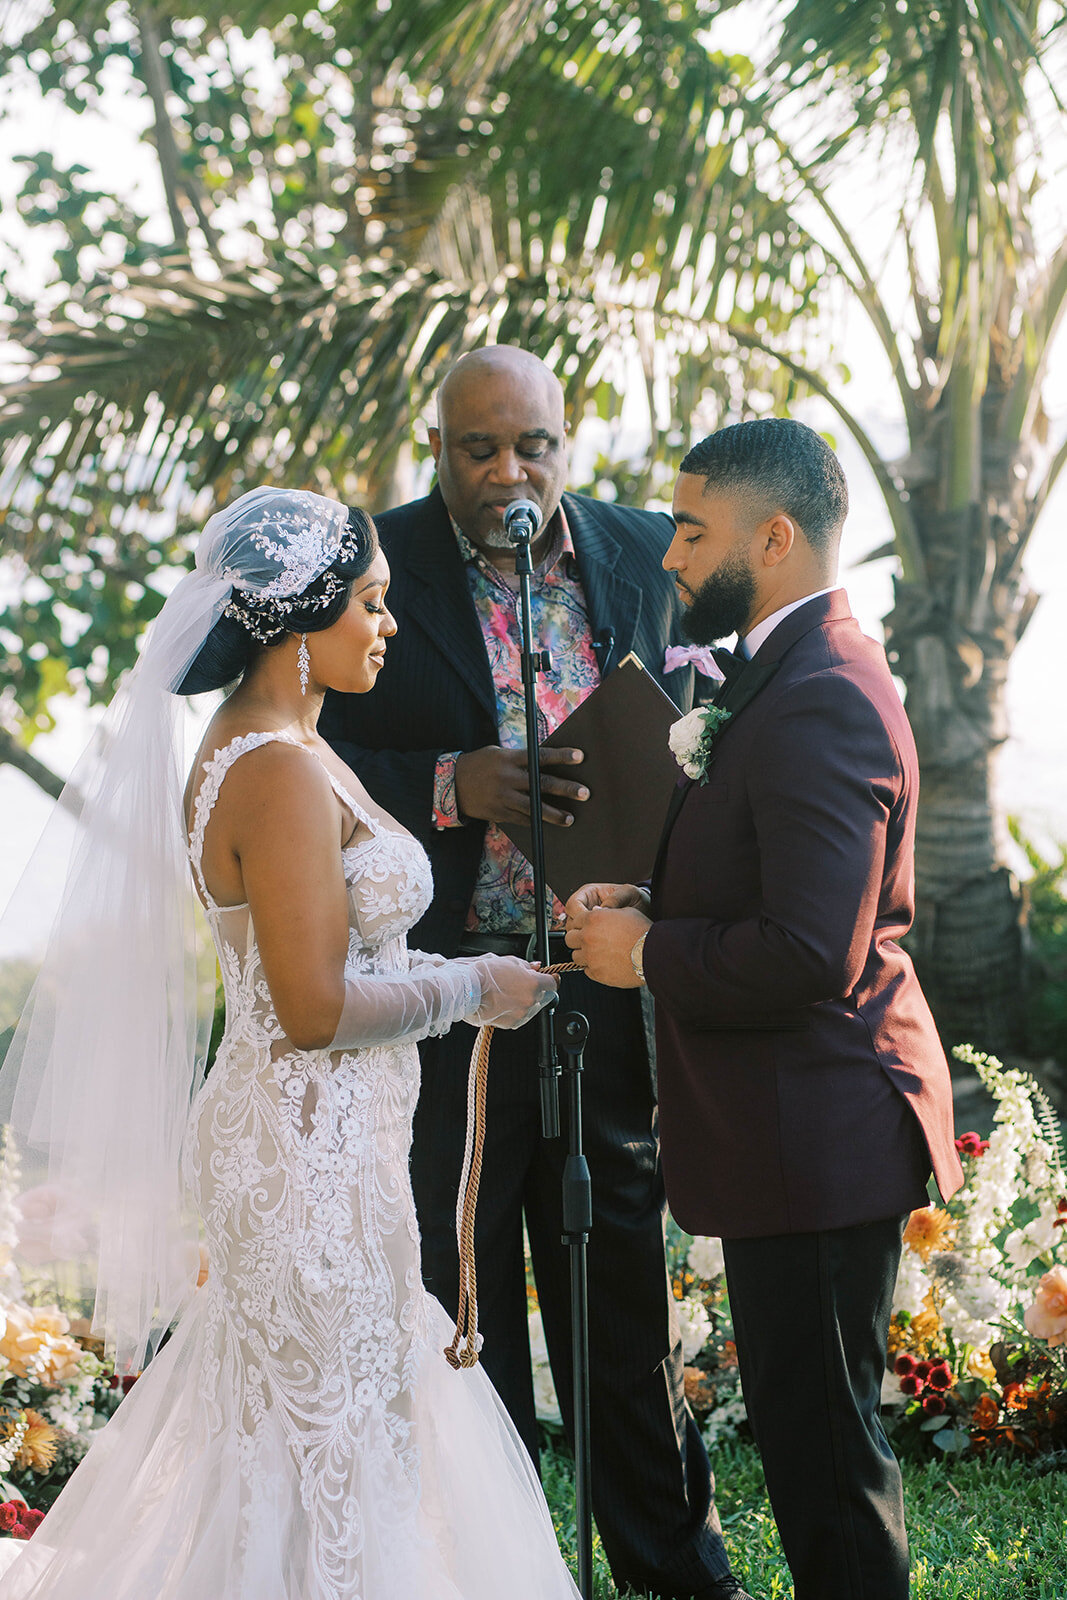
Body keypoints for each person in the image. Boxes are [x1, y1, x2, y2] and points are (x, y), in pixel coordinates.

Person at [0, 487, 582, 1599]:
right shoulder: (271, 767)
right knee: (328, 1428)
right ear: (297, 618)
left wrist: (490, 980)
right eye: (370, 601)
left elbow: (344, 959)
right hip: (300, 1155)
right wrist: (471, 986)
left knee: (321, 1423)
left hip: (334, 1142)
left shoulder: (296, 746)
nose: (389, 624)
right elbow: (311, 1008)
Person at [318, 346, 751, 1600]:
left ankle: (672, 1566)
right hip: (445, 992)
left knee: (618, 1281)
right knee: (461, 1290)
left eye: (533, 446)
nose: (509, 471)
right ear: (437, 449)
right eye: (478, 449)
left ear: (567, 441)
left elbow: (715, 717)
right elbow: (299, 751)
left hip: (600, 976)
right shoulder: (374, 564)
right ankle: (488, 1568)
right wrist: (454, 784)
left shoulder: (641, 552)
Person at [565, 418, 964, 1600]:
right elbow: (778, 882)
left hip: (818, 1129)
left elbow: (809, 950)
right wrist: (658, 902)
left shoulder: (822, 692)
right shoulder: (781, 673)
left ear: (773, 538)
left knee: (824, 1461)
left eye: (693, 532)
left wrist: (647, 952)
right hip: (789, 1129)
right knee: (808, 1443)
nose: (669, 556)